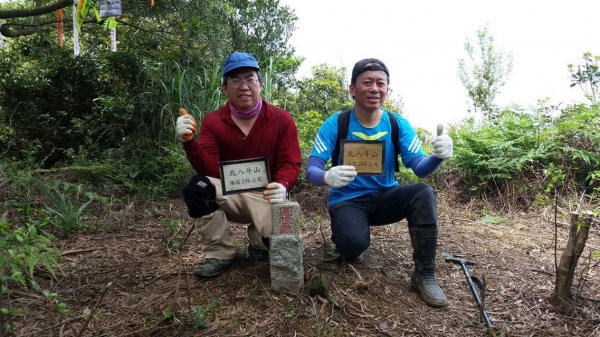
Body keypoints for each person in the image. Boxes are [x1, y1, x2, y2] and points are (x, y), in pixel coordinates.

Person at [305, 58, 453, 307]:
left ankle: (424, 274)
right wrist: (326, 176)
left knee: (423, 192)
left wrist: (437, 157)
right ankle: (350, 239)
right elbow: (312, 169)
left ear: (387, 90)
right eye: (367, 82)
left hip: (386, 198)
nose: (374, 88)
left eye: (380, 83)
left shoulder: (397, 124)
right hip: (347, 200)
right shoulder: (336, 124)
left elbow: (419, 168)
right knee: (352, 250)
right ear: (352, 89)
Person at [176, 51, 302, 278]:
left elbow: (290, 162)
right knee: (199, 187)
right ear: (225, 88)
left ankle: (258, 242)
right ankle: (221, 252)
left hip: (266, 194)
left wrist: (283, 184)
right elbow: (210, 169)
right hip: (230, 193)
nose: (243, 86)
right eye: (235, 80)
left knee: (280, 247)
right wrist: (189, 143)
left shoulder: (281, 119)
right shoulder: (214, 122)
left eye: (250, 79)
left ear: (260, 84)